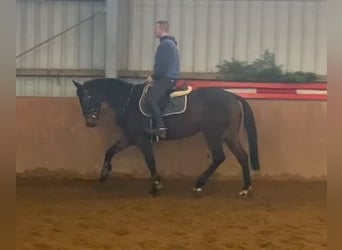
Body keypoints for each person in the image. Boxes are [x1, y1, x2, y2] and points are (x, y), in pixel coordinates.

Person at [145, 20, 180, 138]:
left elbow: (163, 67)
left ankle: (160, 127)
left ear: (161, 29)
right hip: (170, 77)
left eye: (156, 29)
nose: (154, 31)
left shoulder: (164, 45)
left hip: (167, 77)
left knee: (150, 99)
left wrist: (153, 77)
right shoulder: (171, 43)